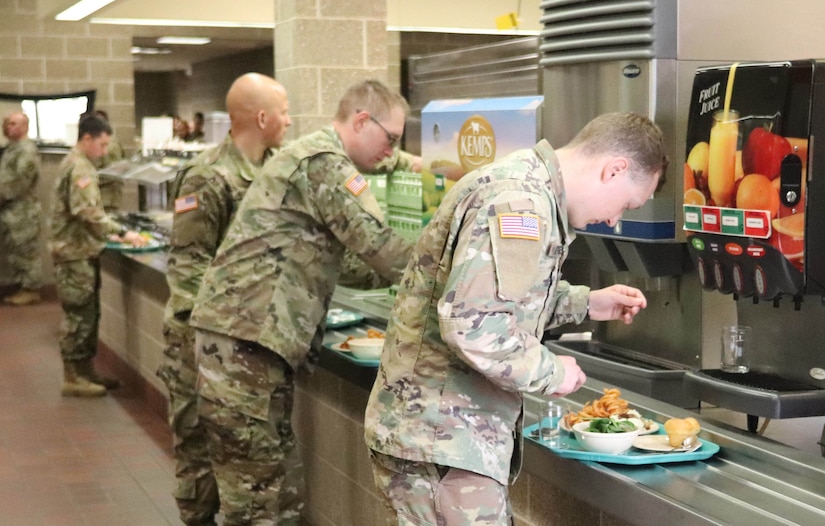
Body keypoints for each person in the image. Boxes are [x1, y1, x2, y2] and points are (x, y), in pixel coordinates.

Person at [364, 111, 669, 525]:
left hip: (443, 438)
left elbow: (505, 295)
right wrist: (550, 371)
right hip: (441, 438)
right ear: (614, 170)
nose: (615, 220)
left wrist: (586, 303)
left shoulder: (527, 186)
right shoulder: (521, 202)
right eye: (626, 204)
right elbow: (474, 325)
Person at [188, 79, 416, 524]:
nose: (391, 150)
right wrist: (458, 274)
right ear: (362, 120)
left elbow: (335, 260)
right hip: (242, 345)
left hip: (250, 342)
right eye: (390, 138)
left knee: (278, 490)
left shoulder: (312, 157)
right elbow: (383, 248)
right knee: (254, 500)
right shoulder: (325, 163)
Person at [158, 73, 291, 526]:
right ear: (261, 116)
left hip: (252, 349)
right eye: (284, 111)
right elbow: (188, 271)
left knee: (249, 474)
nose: (289, 121)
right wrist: (217, 348)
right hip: (201, 346)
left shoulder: (278, 171)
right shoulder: (208, 176)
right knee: (198, 464)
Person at [49, 114, 147, 398]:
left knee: (89, 314)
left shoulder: (80, 163)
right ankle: (72, 376)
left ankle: (85, 370)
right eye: (102, 145)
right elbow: (87, 211)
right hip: (73, 252)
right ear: (87, 138)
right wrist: (121, 232)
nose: (105, 152)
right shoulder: (80, 168)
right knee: (78, 315)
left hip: (81, 250)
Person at [0, 112, 44, 306]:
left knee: (26, 251)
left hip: (22, 210)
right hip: (11, 210)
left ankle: (32, 290)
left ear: (25, 127)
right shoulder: (12, 148)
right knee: (16, 251)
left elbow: (18, 182)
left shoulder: (26, 150)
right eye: (7, 124)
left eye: (14, 124)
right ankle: (23, 287)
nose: (9, 127)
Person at [94, 110, 125, 212]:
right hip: (108, 195)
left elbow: (112, 172)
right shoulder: (111, 141)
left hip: (105, 196)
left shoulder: (107, 144)